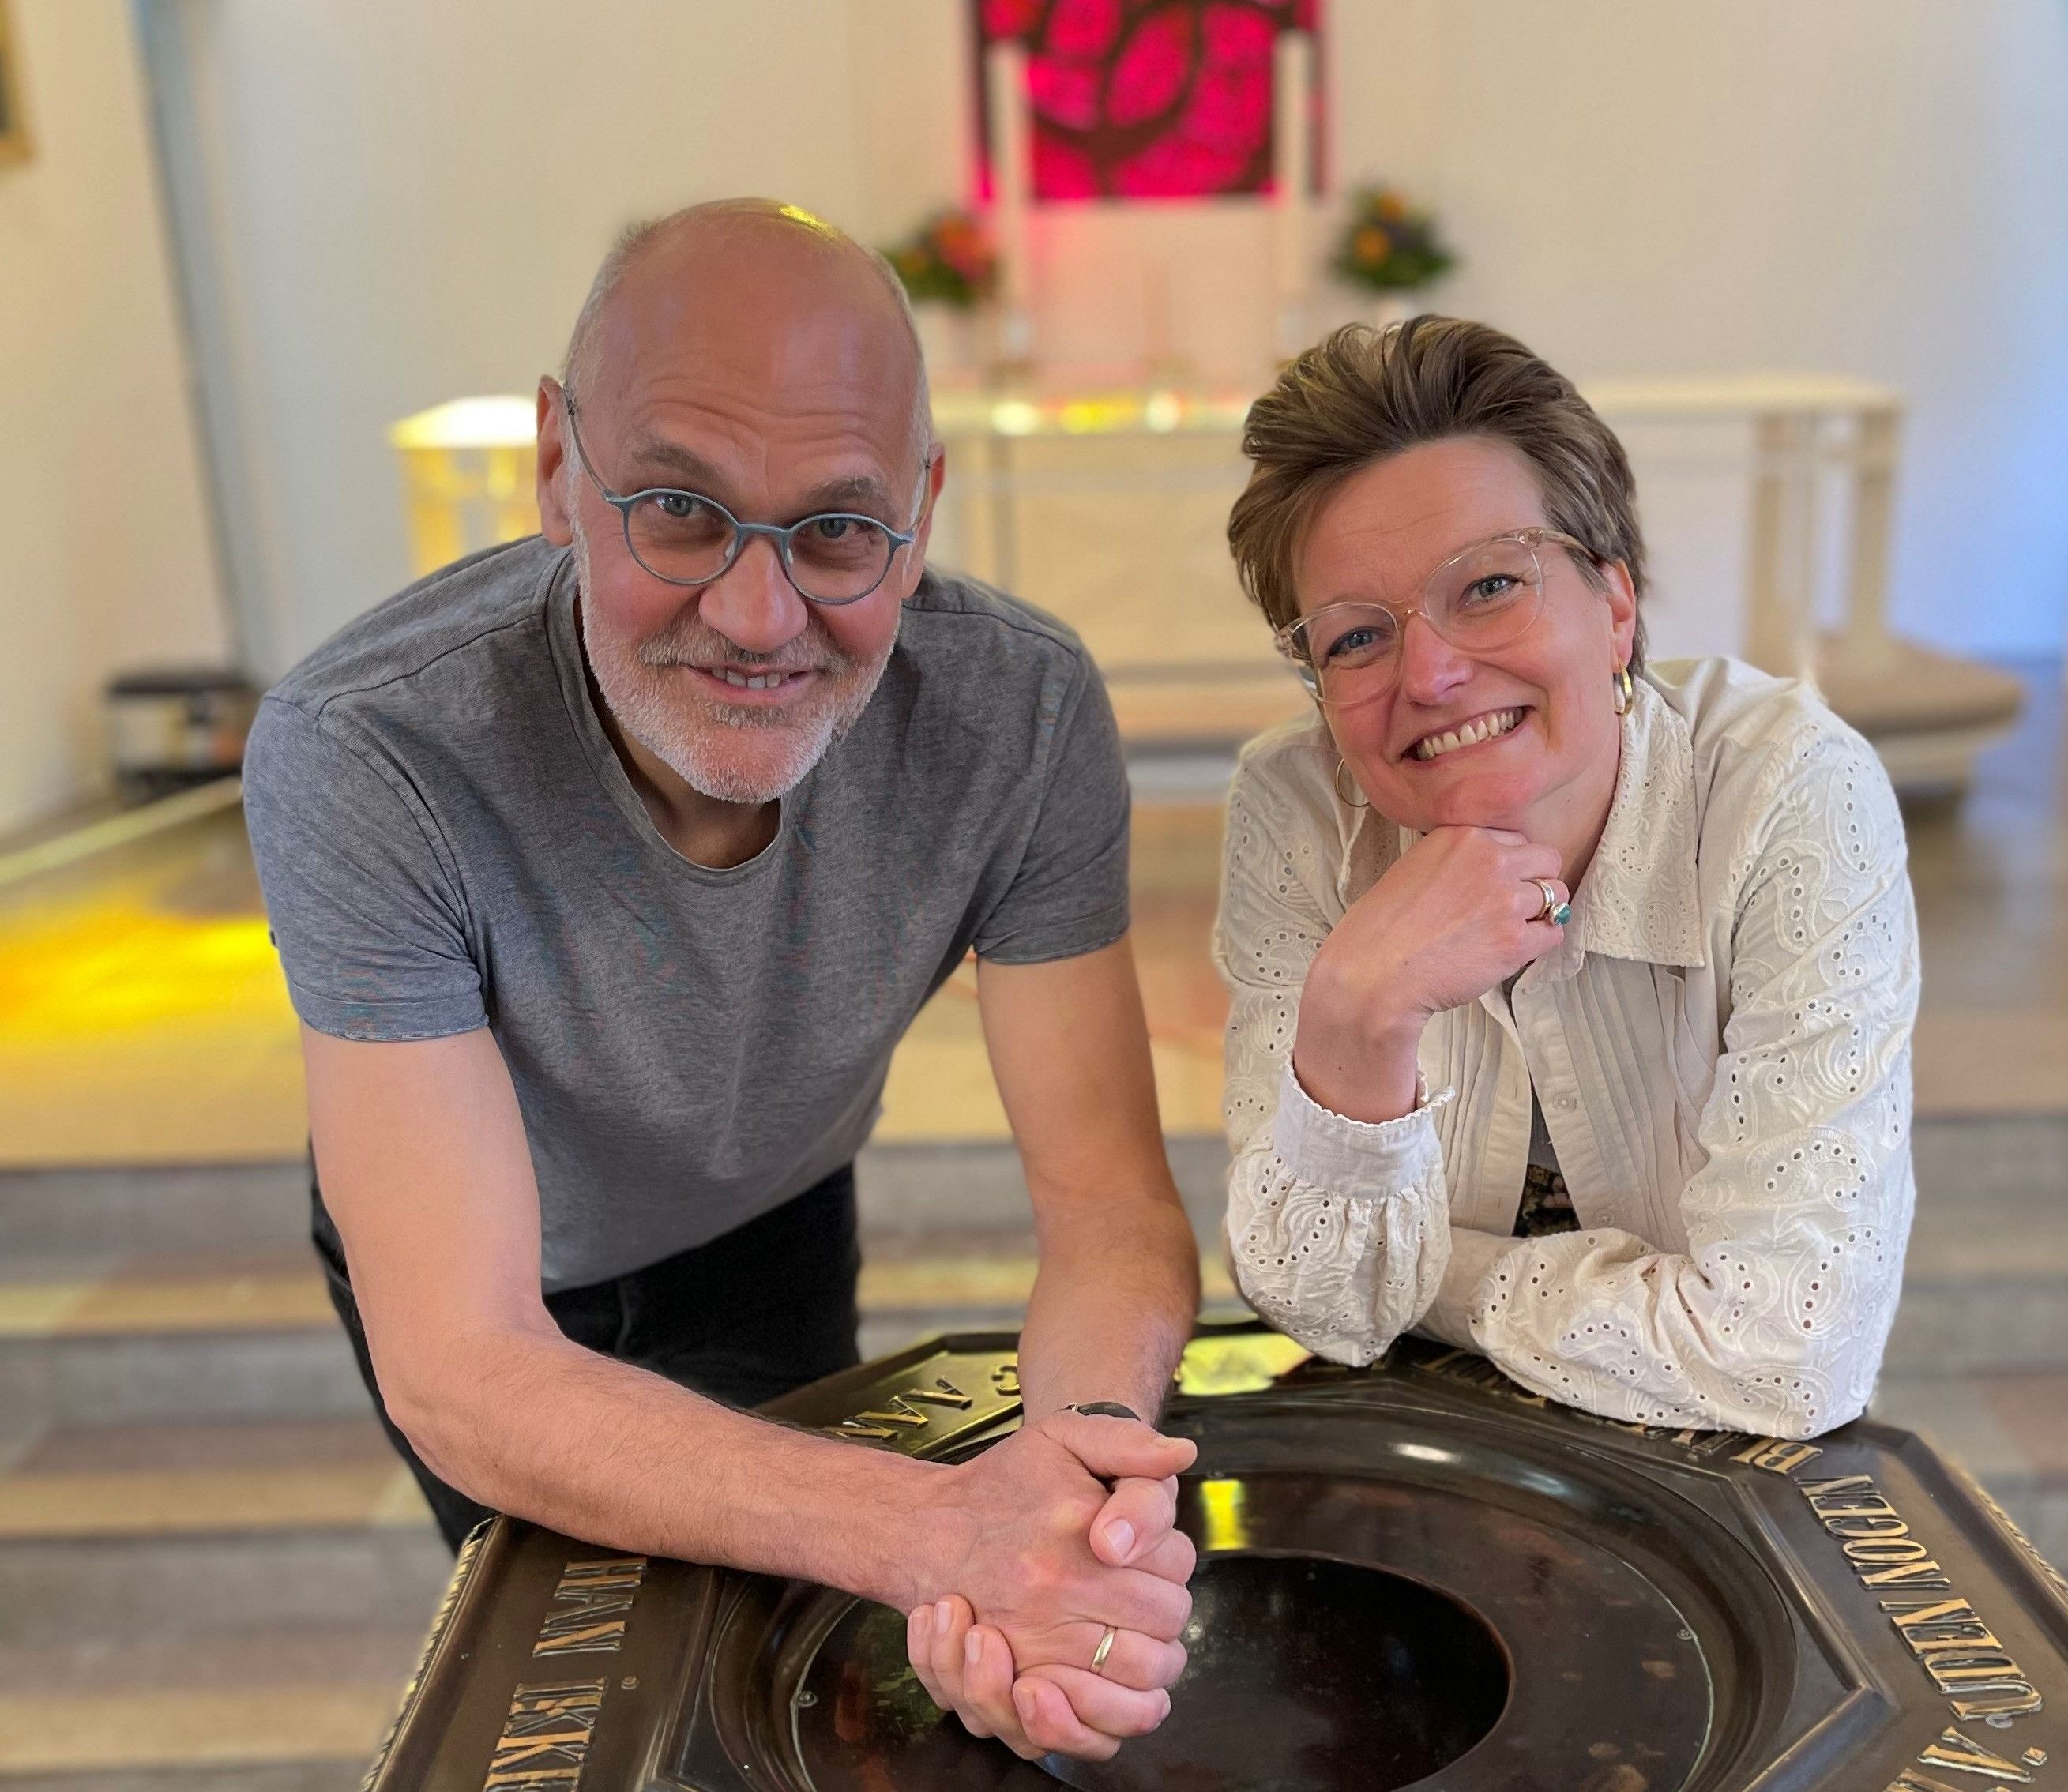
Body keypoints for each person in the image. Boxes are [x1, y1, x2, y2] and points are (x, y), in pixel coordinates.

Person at [243, 200, 1198, 1763]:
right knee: (599, 1693)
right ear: (558, 468)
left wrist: (1081, 1489)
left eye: (837, 529)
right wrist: (941, 1532)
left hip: (772, 1206)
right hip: (492, 1268)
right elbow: (465, 1360)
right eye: (680, 511)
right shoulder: (368, 749)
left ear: (923, 510)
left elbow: (1105, 1202)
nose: (760, 618)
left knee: (791, 1674)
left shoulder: (1017, 715)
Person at [1210, 317, 1919, 1440]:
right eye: (1355, 639)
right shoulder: (1298, 808)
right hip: (1410, 1452)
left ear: (1617, 605)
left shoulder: (1785, 793)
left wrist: (1432, 1277)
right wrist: (1359, 1009)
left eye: (1491, 584)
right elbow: (1314, 1301)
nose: (1430, 674)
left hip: (1723, 1470)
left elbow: (1790, 1354)